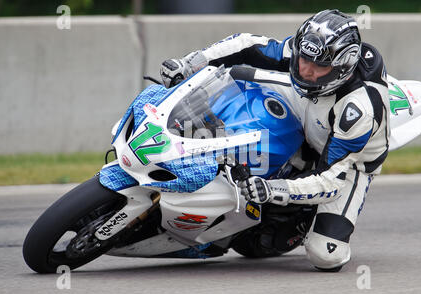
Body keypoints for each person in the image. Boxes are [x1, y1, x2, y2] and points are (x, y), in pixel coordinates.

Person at [160, 9, 390, 272]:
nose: (306, 70)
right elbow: (248, 44)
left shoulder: (358, 110)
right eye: (303, 60)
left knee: (326, 256)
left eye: (319, 67)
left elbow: (331, 180)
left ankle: (301, 214)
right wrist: (190, 63)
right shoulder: (313, 52)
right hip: (307, 102)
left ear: (342, 69)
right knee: (235, 75)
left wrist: (276, 189)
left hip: (348, 162)